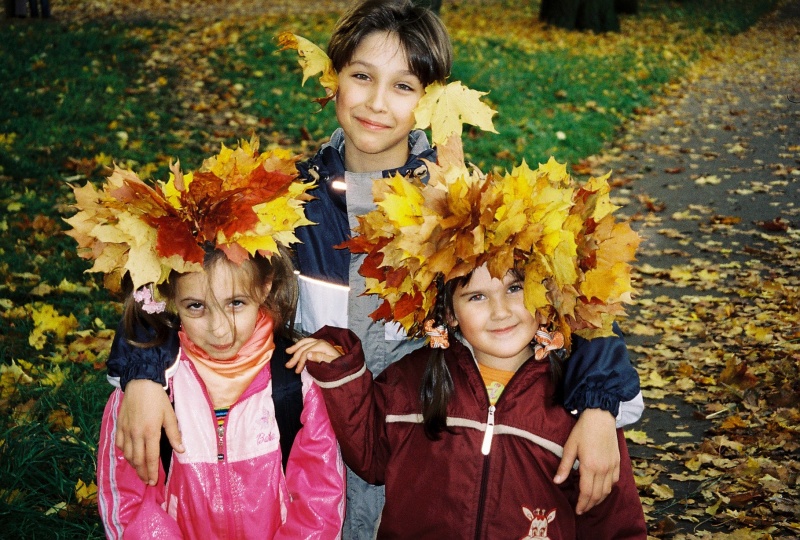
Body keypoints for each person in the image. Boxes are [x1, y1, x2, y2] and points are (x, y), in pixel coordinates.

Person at [104, 1, 642, 538]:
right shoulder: (280, 205)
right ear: (334, 78)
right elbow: (161, 265)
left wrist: (597, 411)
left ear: (432, 98)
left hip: (429, 483)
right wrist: (144, 375)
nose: (377, 103)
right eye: (362, 76)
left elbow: (579, 311)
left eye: (404, 86)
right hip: (299, 478)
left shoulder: (464, 213)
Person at [286, 153, 648, 538]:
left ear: (545, 293)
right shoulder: (415, 378)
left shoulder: (579, 403)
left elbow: (615, 523)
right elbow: (373, 457)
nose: (500, 311)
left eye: (514, 288)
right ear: (451, 313)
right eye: (476, 297)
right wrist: (342, 371)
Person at [65, 141, 346, 538]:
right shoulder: (149, 390)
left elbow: (318, 497)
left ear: (265, 286)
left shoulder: (295, 382)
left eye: (235, 303)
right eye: (196, 306)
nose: (219, 329)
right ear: (169, 300)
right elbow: (128, 497)